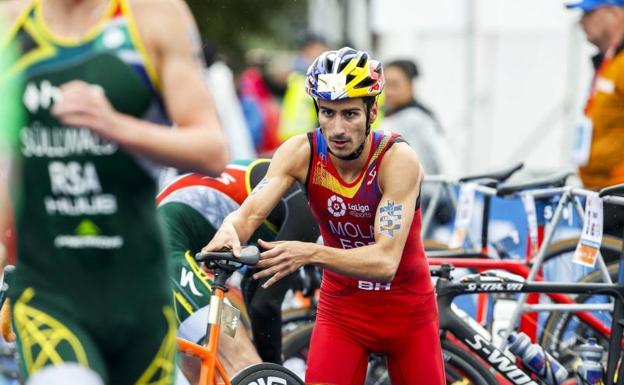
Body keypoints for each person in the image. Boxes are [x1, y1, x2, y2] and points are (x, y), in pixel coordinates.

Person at [0, 0, 228, 384]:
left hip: (139, 294)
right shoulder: (11, 18)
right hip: (48, 288)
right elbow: (9, 159)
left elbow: (212, 148)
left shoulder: (154, 14)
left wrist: (114, 126)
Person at [202, 47, 445, 385]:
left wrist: (308, 253)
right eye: (327, 113)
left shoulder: (396, 159)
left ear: (372, 111)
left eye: (349, 114)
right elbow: (249, 214)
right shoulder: (300, 152)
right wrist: (230, 230)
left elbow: (385, 261)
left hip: (408, 314)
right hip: (343, 313)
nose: (337, 129)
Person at [156, 159, 319, 382]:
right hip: (164, 250)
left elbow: (254, 288)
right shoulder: (309, 204)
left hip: (172, 249)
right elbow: (265, 304)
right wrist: (273, 370)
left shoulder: (290, 190)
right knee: (244, 362)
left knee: (215, 368)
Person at [567, 0, 624, 236]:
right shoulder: (610, 61)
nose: (581, 21)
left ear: (614, 13)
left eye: (589, 13)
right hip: (602, 194)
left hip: (618, 193)